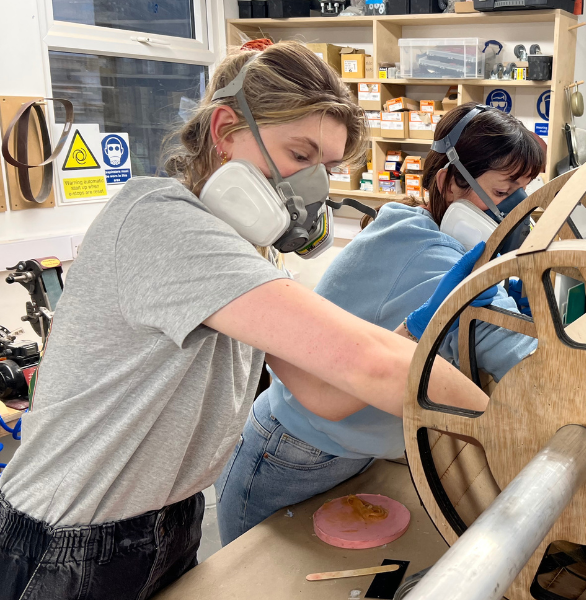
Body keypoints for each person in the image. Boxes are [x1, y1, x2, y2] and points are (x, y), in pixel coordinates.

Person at [0, 41, 489, 600]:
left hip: (162, 519)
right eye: (298, 155)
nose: (314, 187)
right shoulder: (160, 221)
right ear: (226, 129)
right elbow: (370, 366)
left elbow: (323, 394)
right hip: (71, 536)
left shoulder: (248, 251)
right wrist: (507, 429)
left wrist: (406, 339)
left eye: (325, 167)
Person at [215, 103, 545, 545]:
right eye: (505, 192)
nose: (518, 210)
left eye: (525, 191)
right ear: (449, 181)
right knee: (250, 580)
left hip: (337, 444)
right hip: (294, 453)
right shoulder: (431, 256)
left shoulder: (405, 221)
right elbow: (526, 364)